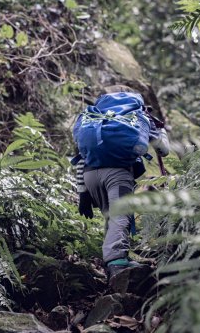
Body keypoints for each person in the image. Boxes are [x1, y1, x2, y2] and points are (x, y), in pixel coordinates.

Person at [73, 85, 170, 281]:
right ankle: (116, 262)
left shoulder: (96, 118)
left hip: (89, 176)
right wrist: (162, 131)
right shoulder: (138, 116)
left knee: (111, 216)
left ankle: (114, 259)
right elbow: (164, 150)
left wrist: (82, 192)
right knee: (120, 216)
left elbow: (81, 156)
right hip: (118, 174)